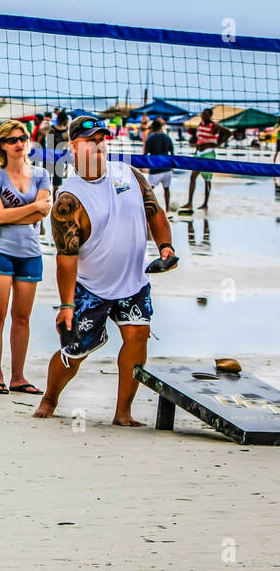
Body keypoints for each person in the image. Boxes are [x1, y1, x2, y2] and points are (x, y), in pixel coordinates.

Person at [33, 115, 177, 425]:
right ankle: (49, 398)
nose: (99, 145)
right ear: (74, 146)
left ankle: (123, 412)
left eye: (102, 139)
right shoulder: (68, 200)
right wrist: (67, 305)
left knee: (138, 336)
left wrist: (167, 248)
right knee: (75, 354)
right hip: (91, 286)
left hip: (133, 283)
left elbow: (156, 214)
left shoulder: (129, 174)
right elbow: (66, 257)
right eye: (91, 140)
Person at [0, 121, 51, 395]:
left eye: (22, 138)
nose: (19, 143)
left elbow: (41, 215)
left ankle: (18, 377)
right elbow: (0, 215)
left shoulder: (42, 174)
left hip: (30, 252)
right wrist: (31, 209)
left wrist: (12, 215)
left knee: (22, 318)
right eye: (11, 140)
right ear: (2, 146)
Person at [182, 108, 226, 212]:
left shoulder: (214, 125)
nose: (203, 116)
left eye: (205, 114)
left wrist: (218, 144)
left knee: (207, 180)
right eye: (202, 114)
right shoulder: (201, 124)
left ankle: (205, 204)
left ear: (210, 116)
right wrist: (193, 142)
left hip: (208, 154)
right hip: (199, 153)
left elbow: (228, 133)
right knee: (193, 177)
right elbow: (196, 137)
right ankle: (189, 203)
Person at [142, 117, 175, 211]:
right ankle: (167, 209)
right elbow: (172, 153)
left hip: (155, 169)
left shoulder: (150, 138)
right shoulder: (167, 137)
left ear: (152, 128)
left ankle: (148, 210)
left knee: (149, 191)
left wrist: (144, 166)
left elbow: (145, 154)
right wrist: (172, 167)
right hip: (167, 168)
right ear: (161, 127)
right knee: (167, 189)